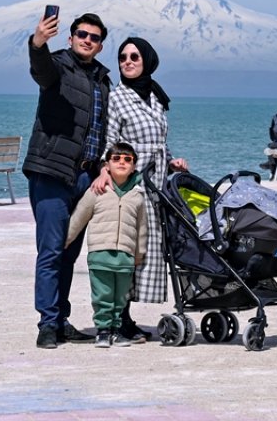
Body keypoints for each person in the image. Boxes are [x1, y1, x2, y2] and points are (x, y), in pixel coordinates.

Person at [90, 37, 188, 343]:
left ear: (147, 60)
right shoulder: (117, 97)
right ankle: (119, 319)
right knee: (127, 250)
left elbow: (159, 140)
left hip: (156, 184)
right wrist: (105, 172)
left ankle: (124, 317)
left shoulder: (156, 97)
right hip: (130, 184)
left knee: (144, 252)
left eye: (134, 56)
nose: (128, 61)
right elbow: (110, 140)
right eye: (122, 57)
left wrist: (172, 161)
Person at [25, 11, 111, 349]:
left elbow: (101, 130)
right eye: (81, 34)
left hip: (84, 177)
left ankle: (60, 319)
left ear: (100, 45)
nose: (87, 40)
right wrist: (37, 43)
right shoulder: (58, 65)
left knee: (69, 253)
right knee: (50, 251)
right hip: (51, 173)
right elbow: (41, 71)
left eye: (94, 37)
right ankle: (47, 324)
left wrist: (104, 166)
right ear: (70, 37)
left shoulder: (103, 80)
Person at [67, 143, 148, 349]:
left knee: (120, 297)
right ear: (107, 165)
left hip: (125, 258)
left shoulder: (137, 196)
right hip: (100, 255)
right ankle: (103, 331)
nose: (122, 162)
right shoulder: (96, 191)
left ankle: (116, 330)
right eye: (117, 158)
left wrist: (139, 254)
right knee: (102, 295)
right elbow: (78, 217)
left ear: (134, 166)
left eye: (127, 159)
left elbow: (142, 228)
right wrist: (64, 241)